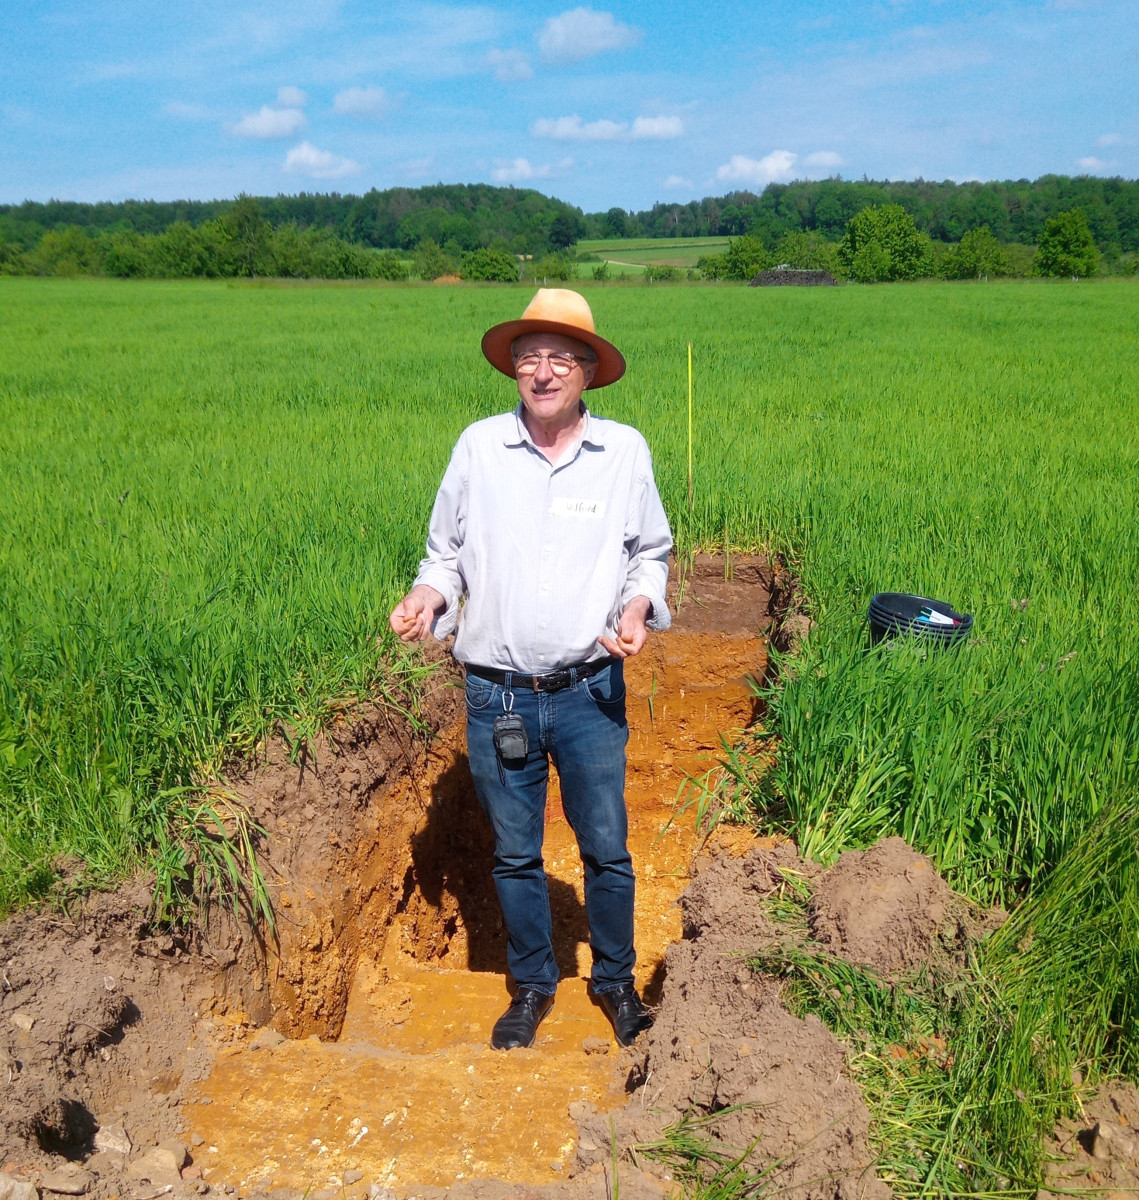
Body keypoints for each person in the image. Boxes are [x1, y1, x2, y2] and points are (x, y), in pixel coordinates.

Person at [389, 288, 672, 1050]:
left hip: (588, 694)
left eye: (559, 359)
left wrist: (638, 607)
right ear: (513, 368)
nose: (542, 372)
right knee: (515, 853)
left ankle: (614, 981)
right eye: (528, 359)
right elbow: (443, 555)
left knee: (605, 847)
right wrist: (425, 595)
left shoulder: (624, 454)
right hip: (496, 697)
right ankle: (533, 985)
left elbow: (649, 553)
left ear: (587, 371)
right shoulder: (479, 447)